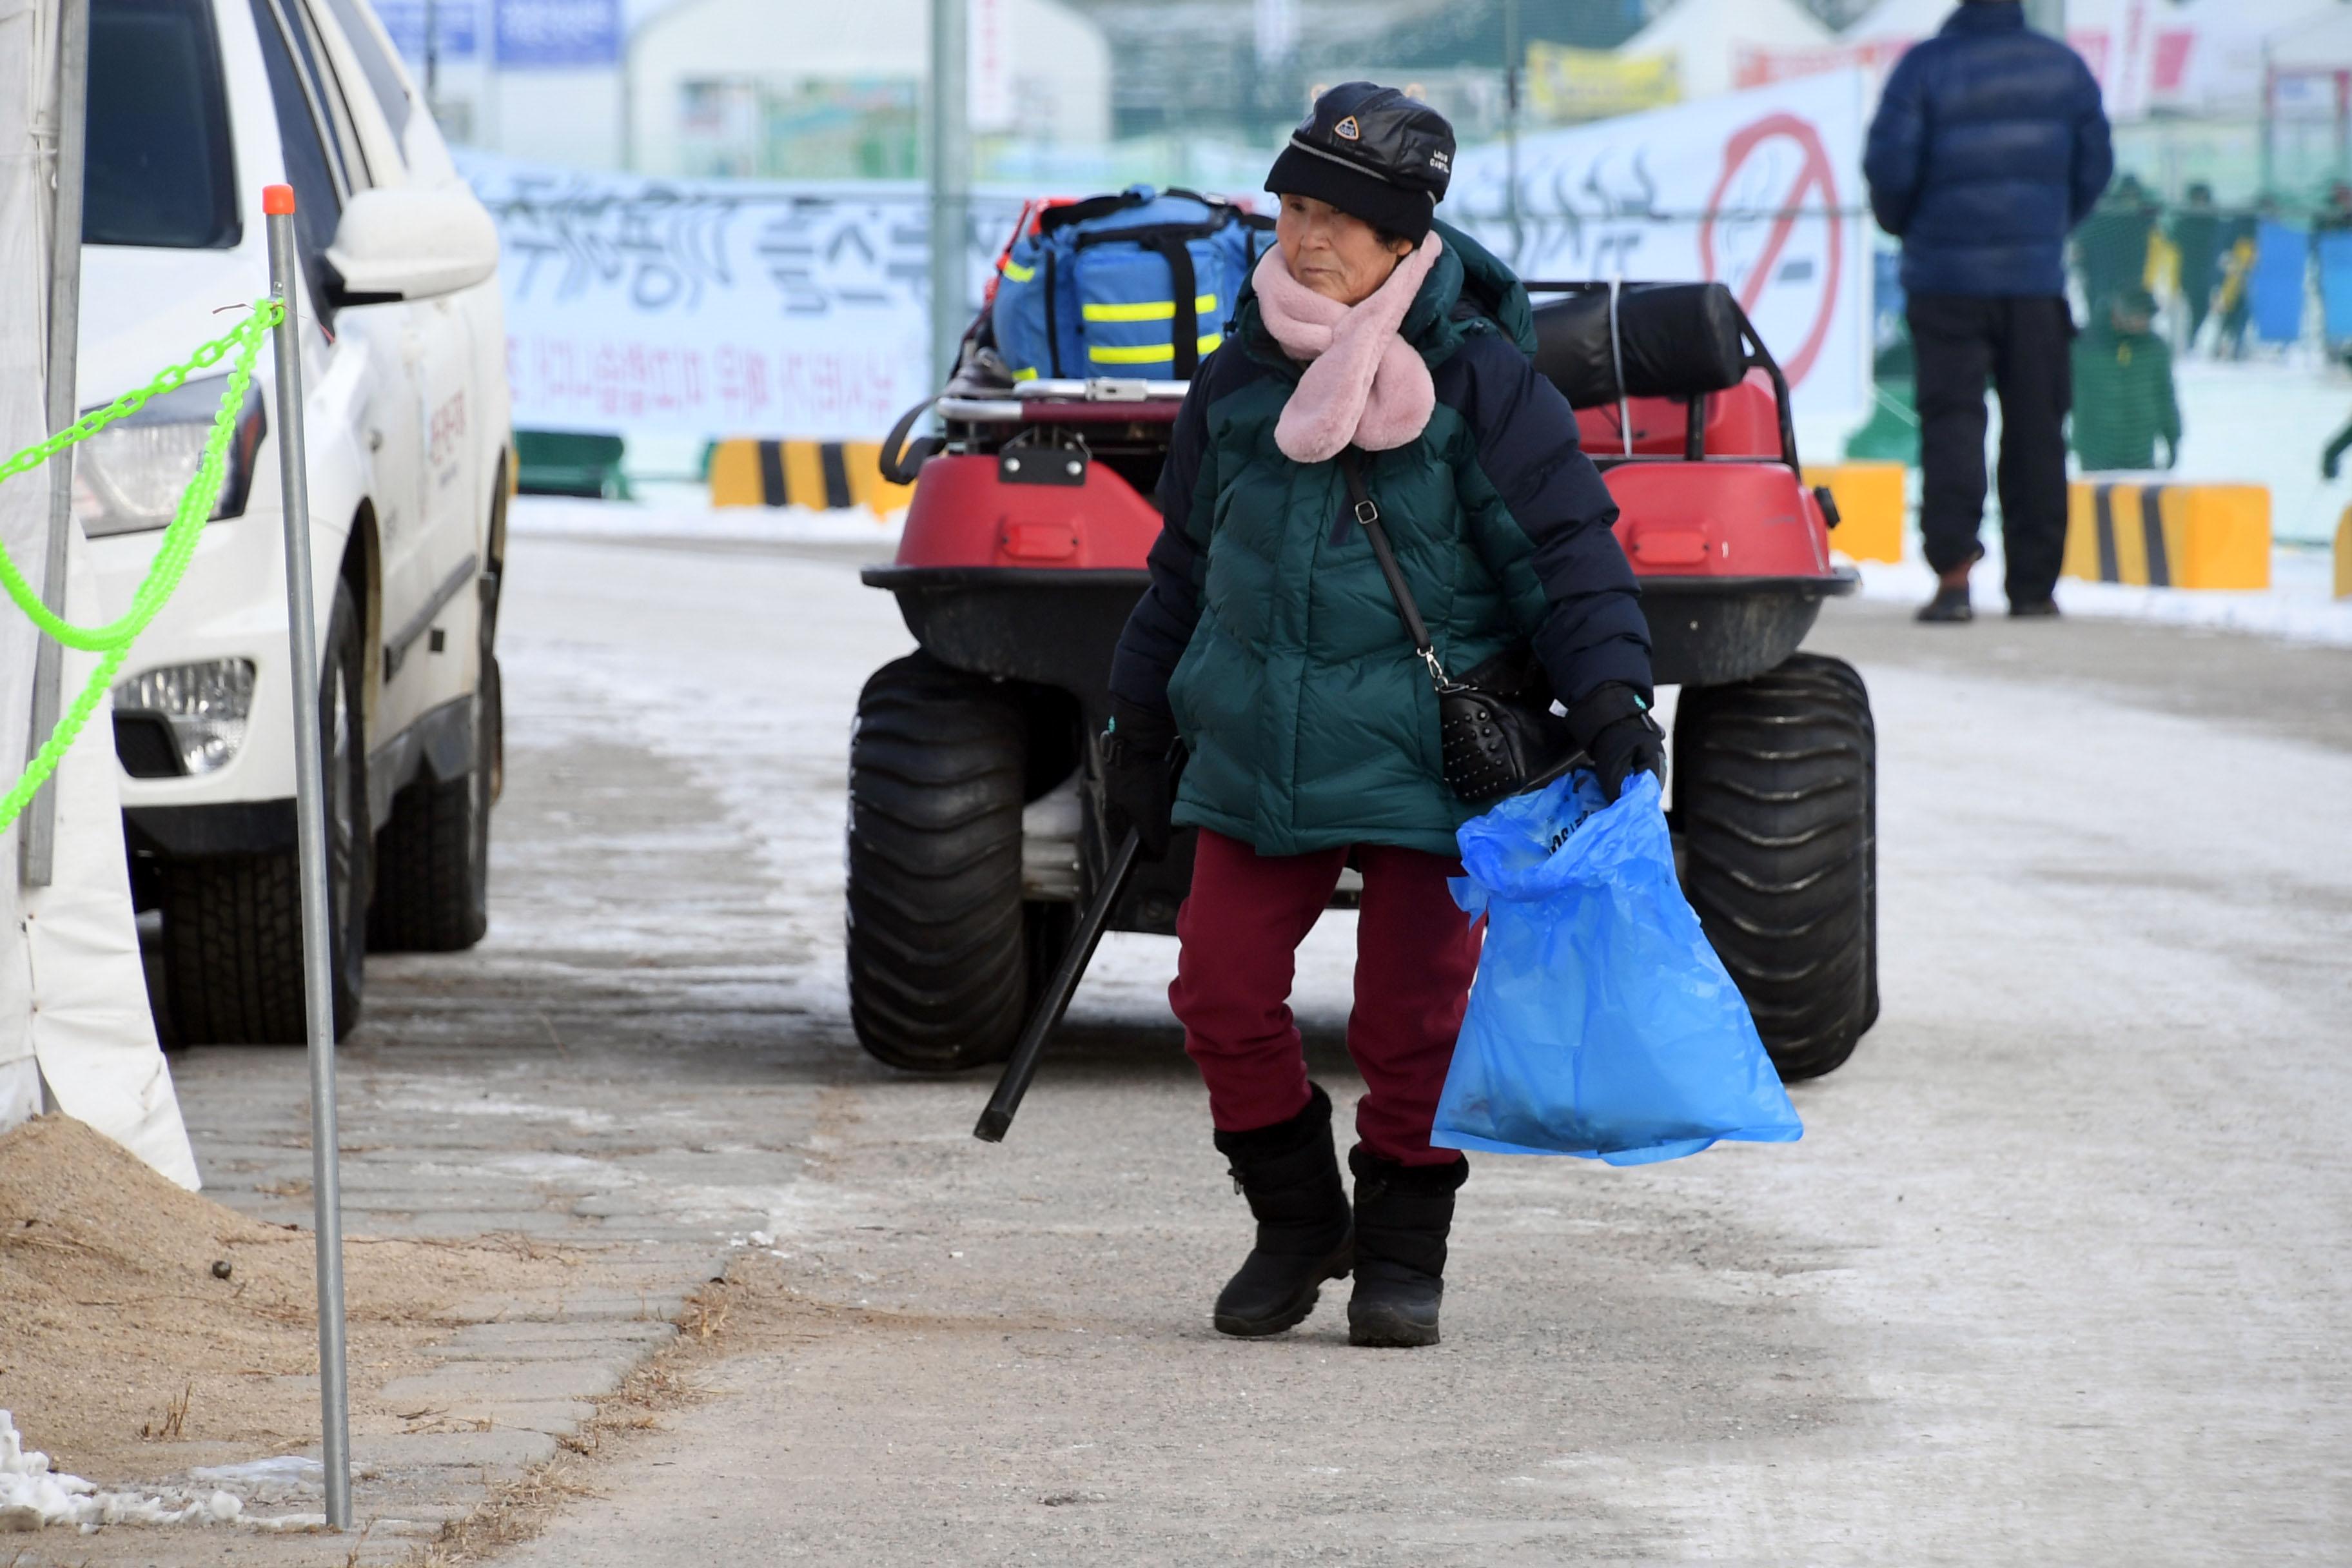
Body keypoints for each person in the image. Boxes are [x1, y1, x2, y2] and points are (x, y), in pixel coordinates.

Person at [1099, 82, 1659, 1350]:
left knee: (1415, 1016)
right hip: (1257, 737)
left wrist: (1615, 695)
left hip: (1437, 752)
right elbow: (1181, 571)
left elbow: (1567, 552)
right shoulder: (1237, 380)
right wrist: (1136, 726)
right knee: (1219, 992)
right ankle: (1298, 1220)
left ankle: (1405, 1248)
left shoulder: (1484, 382)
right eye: (1293, 208)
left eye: (1341, 220)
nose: (1306, 240)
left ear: (1409, 241)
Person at [1863, 0, 2112, 623]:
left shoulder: (1923, 67)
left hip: (1944, 280)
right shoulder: (2065, 69)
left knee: (1952, 422)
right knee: (2036, 426)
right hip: (2034, 283)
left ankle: (1952, 577)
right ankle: (2034, 588)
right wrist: (2046, 227)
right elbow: (2095, 167)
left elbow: (1888, 167)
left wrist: (1911, 227)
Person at [2070, 286, 2179, 472]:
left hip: (2141, 455)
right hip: (2095, 454)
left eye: (2148, 317)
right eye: (2139, 316)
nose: (2144, 322)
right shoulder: (2084, 346)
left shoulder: (2155, 349)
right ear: (2119, 313)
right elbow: (2061, 393)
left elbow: (2165, 396)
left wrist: (2172, 436)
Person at [2168, 183, 2223, 349]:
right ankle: (2188, 339)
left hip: (2208, 270)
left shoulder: (2213, 221)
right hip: (2189, 270)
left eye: (2203, 198)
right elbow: (2173, 239)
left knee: (2204, 306)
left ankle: (2196, 338)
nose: (2200, 202)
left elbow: (2220, 241)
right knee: (2192, 305)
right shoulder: (2185, 221)